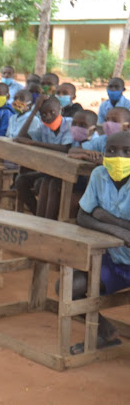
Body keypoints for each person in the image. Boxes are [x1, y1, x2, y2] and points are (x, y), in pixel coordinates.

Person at [68, 131, 130, 354]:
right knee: (68, 288)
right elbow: (83, 217)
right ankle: (106, 333)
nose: (118, 156)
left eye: (127, 151)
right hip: (113, 261)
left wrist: (105, 216)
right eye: (111, 150)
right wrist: (117, 229)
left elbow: (94, 215)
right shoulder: (99, 175)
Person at [15, 95, 74, 218]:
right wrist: (34, 110)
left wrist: (35, 143)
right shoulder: (43, 128)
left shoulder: (70, 124)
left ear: (60, 110)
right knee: (21, 181)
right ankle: (38, 215)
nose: (47, 117)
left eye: (52, 112)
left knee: (45, 183)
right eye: (43, 114)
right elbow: (20, 138)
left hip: (67, 173)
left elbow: (67, 148)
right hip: (51, 171)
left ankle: (47, 220)